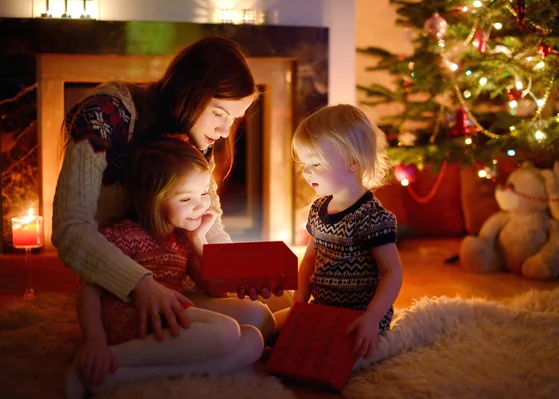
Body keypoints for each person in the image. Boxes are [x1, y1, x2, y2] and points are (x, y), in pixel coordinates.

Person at [52, 36, 285, 343]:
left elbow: (209, 224)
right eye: (219, 113)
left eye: (234, 119)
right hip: (120, 285)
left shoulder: (196, 137)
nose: (225, 130)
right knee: (241, 330)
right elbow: (70, 229)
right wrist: (141, 284)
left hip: (177, 278)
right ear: (190, 92)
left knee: (265, 314)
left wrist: (240, 273)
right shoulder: (106, 114)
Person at [66, 138, 264, 397]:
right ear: (154, 199)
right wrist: (95, 342)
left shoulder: (181, 239)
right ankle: (101, 359)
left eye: (203, 193)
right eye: (185, 198)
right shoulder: (122, 235)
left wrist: (198, 240)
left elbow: (214, 289)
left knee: (253, 341)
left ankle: (124, 375)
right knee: (227, 331)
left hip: (171, 318)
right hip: (136, 320)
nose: (200, 205)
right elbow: (89, 292)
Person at [274, 104, 403, 359]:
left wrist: (372, 317)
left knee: (323, 355)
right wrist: (299, 303)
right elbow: (309, 259)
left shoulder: (372, 217)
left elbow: (392, 272)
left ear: (353, 161)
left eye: (316, 163)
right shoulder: (318, 208)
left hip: (358, 316)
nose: (306, 171)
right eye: (304, 163)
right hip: (321, 308)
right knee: (271, 327)